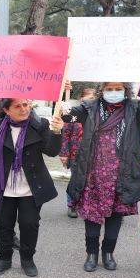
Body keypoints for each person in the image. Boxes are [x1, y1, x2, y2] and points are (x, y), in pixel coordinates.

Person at [62, 81, 140, 273]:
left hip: (120, 174)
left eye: (118, 89)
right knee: (92, 216)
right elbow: (69, 116)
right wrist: (64, 102)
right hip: (92, 175)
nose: (113, 92)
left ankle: (108, 253)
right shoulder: (89, 107)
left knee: (115, 215)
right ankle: (91, 254)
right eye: (109, 89)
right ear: (102, 91)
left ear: (125, 90)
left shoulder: (135, 107)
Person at [0, 99, 63, 277]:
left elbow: (52, 151)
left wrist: (57, 131)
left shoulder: (40, 124)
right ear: (7, 110)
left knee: (29, 224)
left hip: (31, 185)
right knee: (3, 224)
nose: (24, 109)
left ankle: (27, 259)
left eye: (26, 104)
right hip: (2, 184)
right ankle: (5, 258)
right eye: (18, 106)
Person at [60, 88, 97, 218]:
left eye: (92, 98)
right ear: (81, 99)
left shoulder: (97, 114)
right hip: (76, 155)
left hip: (93, 155)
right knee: (75, 180)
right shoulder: (74, 114)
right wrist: (64, 153)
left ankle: (87, 205)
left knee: (90, 181)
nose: (89, 101)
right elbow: (65, 134)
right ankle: (72, 205)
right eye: (86, 98)